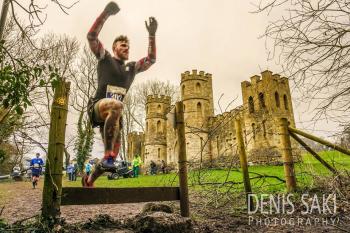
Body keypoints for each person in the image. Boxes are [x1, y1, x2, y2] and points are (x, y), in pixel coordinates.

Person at [82, 1, 157, 187]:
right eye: (122, 45)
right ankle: (107, 156)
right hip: (98, 107)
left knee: (113, 156)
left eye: (128, 46)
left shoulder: (131, 68)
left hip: (115, 117)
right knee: (116, 106)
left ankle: (90, 180)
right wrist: (106, 13)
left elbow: (151, 59)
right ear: (114, 47)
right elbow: (91, 36)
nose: (126, 48)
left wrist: (152, 35)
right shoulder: (105, 58)